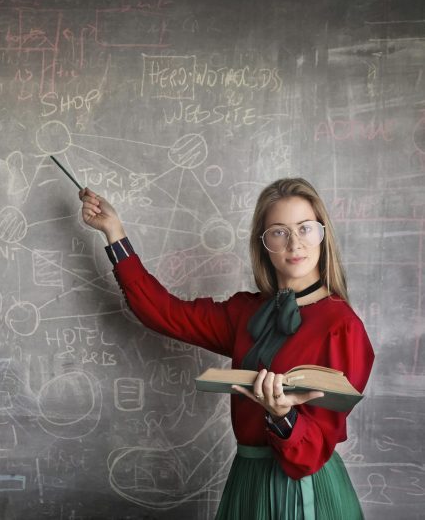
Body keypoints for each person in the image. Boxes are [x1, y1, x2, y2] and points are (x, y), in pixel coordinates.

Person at [79, 178, 374, 519]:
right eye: (279, 231)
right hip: (246, 481)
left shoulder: (342, 326)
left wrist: (284, 416)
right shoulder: (245, 312)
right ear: (264, 244)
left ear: (323, 235)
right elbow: (163, 313)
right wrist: (114, 233)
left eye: (305, 228)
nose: (295, 243)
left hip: (302, 490)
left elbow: (312, 453)